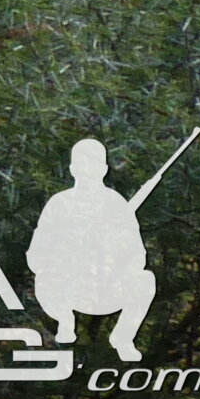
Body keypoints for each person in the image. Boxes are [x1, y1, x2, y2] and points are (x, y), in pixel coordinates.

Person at [32, 139, 159, 362]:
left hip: (105, 288)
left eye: (93, 166)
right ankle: (65, 320)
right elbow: (37, 256)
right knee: (44, 278)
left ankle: (123, 338)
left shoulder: (117, 205)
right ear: (72, 170)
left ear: (104, 170)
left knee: (145, 280)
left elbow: (137, 257)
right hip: (67, 288)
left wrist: (112, 248)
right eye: (83, 166)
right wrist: (67, 253)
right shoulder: (59, 204)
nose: (88, 173)